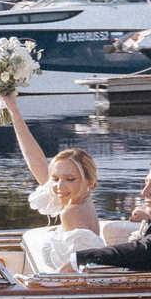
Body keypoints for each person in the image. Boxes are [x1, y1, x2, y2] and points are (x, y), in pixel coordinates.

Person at [9, 111, 103, 273]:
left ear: (89, 182)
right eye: (55, 178)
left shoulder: (72, 212)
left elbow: (77, 272)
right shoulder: (79, 202)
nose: (60, 186)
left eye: (70, 179)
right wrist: (13, 111)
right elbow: (36, 162)